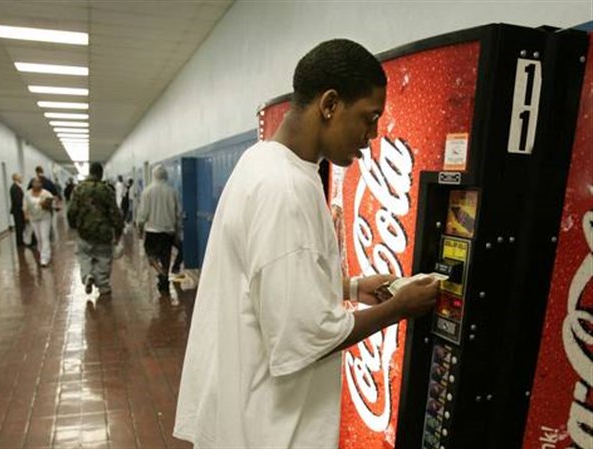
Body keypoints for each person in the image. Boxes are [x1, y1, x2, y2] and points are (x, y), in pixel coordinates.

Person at [173, 39, 439, 448]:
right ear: (330, 104)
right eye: (369, 118)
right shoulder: (286, 190)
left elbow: (267, 287)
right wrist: (398, 309)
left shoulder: (259, 161)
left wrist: (351, 288)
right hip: (272, 429)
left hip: (241, 412)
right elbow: (305, 335)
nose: (370, 138)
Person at [68, 162, 124, 298]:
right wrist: (118, 232)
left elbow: (71, 211)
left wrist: (74, 226)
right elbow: (115, 213)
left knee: (84, 256)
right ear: (100, 174)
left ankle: (87, 276)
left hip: (84, 232)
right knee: (103, 258)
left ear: (90, 172)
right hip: (103, 233)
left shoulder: (78, 189)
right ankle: (103, 285)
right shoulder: (106, 190)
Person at [136, 165, 181, 295]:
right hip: (168, 231)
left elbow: (143, 213)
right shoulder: (173, 191)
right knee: (165, 258)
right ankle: (164, 283)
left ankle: (161, 274)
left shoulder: (147, 191)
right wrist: (177, 231)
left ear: (153, 175)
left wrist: (140, 228)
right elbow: (178, 213)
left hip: (152, 231)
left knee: (151, 256)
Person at [23, 177, 54, 266]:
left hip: (45, 217)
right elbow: (25, 206)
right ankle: (41, 252)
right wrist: (26, 215)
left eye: (38, 183)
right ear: (32, 184)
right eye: (34, 182)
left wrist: (46, 204)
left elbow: (52, 202)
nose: (36, 184)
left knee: (44, 237)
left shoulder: (46, 193)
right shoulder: (27, 194)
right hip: (33, 218)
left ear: (41, 184)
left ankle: (45, 258)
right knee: (38, 237)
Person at [9, 173, 26, 247]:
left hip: (18, 210)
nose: (22, 178)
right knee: (19, 226)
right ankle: (20, 243)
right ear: (16, 178)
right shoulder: (14, 188)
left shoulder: (17, 187)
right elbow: (18, 200)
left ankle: (21, 241)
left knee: (21, 226)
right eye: (20, 177)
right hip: (17, 210)